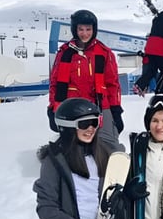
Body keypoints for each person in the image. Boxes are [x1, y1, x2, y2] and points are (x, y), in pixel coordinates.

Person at [48, 10, 124, 150]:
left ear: (94, 30)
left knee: (109, 143)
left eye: (88, 29)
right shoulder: (65, 53)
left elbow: (112, 84)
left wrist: (115, 110)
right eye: (81, 29)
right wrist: (53, 108)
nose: (84, 33)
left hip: (99, 104)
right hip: (72, 106)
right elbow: (55, 84)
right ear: (74, 30)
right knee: (73, 144)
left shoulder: (103, 53)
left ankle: (113, 163)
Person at [133, 4, 163, 96]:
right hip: (160, 48)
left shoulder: (156, 18)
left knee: (152, 69)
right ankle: (160, 91)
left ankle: (139, 84)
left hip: (150, 47)